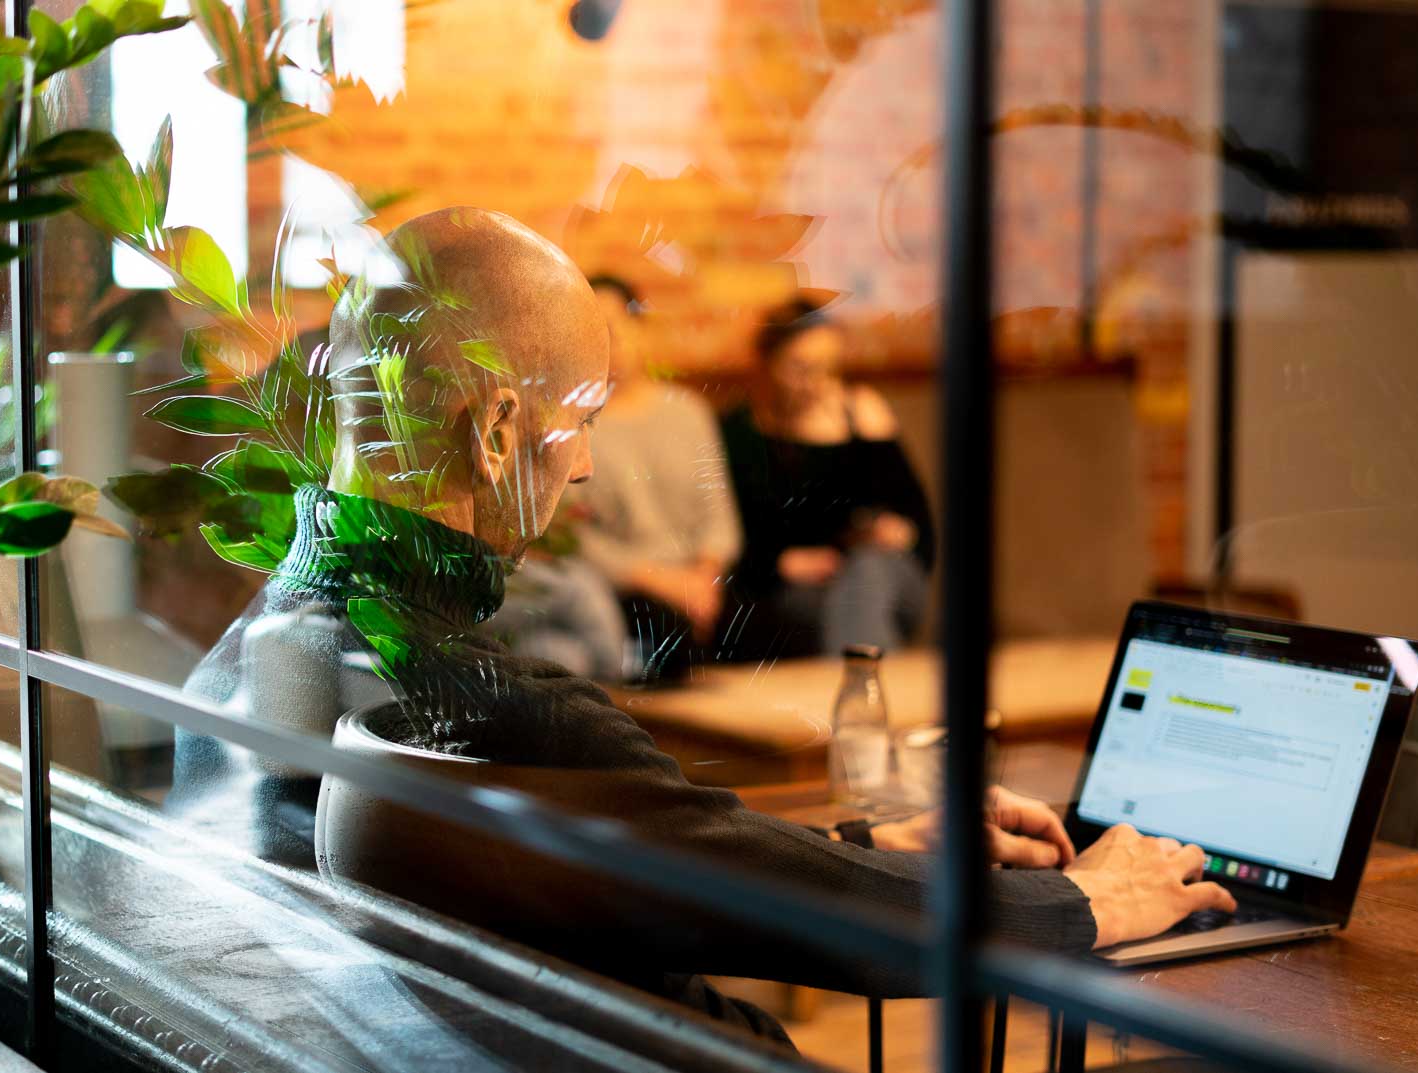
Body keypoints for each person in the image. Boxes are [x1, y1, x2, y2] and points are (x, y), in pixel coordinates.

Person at [167, 208, 1235, 1047]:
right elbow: (764, 900)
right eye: (579, 420)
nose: (586, 463)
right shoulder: (486, 715)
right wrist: (1083, 900)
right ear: (496, 432)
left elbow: (660, 866)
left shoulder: (248, 663)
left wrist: (870, 845)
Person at [720, 297, 934, 660]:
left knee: (866, 575)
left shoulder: (862, 414)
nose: (814, 383)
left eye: (827, 369)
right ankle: (869, 685)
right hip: (803, 587)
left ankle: (857, 687)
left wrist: (897, 531)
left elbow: (921, 526)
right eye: (799, 368)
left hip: (885, 575)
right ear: (767, 363)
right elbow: (730, 540)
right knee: (844, 602)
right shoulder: (739, 433)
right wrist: (782, 563)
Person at [563, 274, 742, 682]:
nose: (611, 343)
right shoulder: (574, 423)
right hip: (627, 587)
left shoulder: (687, 412)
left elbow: (720, 518)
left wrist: (704, 579)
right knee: (667, 636)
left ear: (641, 327)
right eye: (594, 332)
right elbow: (573, 538)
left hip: (702, 582)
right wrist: (660, 581)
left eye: (618, 327)